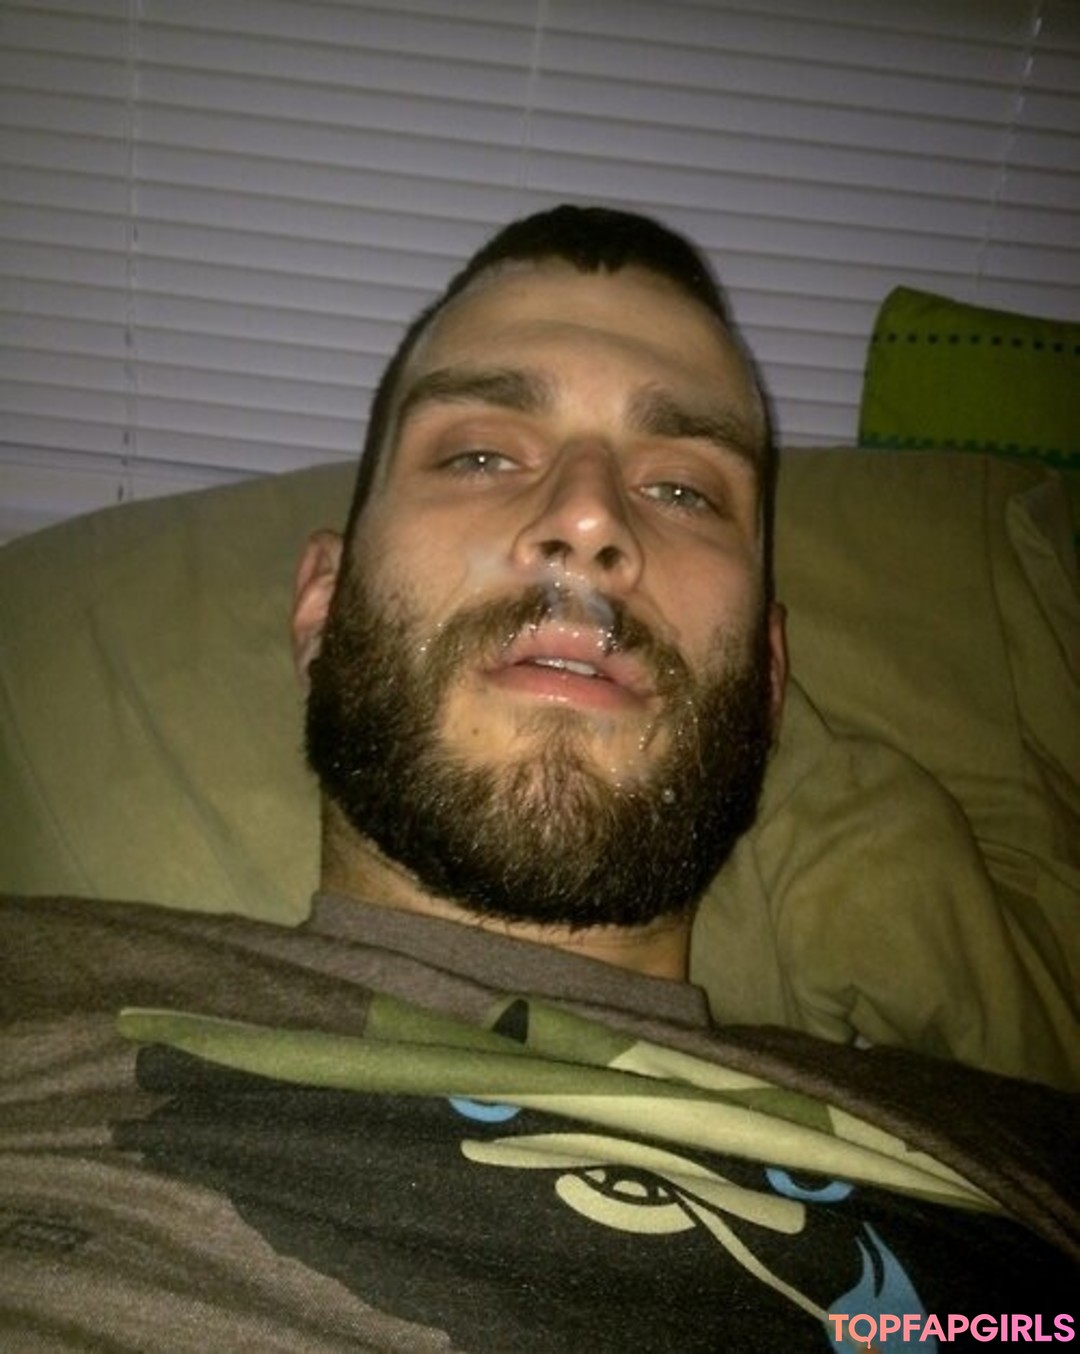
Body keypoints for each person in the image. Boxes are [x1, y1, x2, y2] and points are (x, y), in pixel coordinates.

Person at [1, 206, 1075, 1351]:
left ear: (769, 679)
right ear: (322, 604)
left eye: (684, 489)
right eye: (479, 455)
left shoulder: (1025, 1162)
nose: (588, 516)